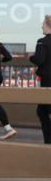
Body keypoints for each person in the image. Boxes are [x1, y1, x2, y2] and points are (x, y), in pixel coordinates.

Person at [30, 15, 51, 144]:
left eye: (43, 24)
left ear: (48, 26)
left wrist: (31, 58)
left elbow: (39, 59)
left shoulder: (42, 41)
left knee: (42, 111)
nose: (41, 26)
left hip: (47, 80)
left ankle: (48, 141)